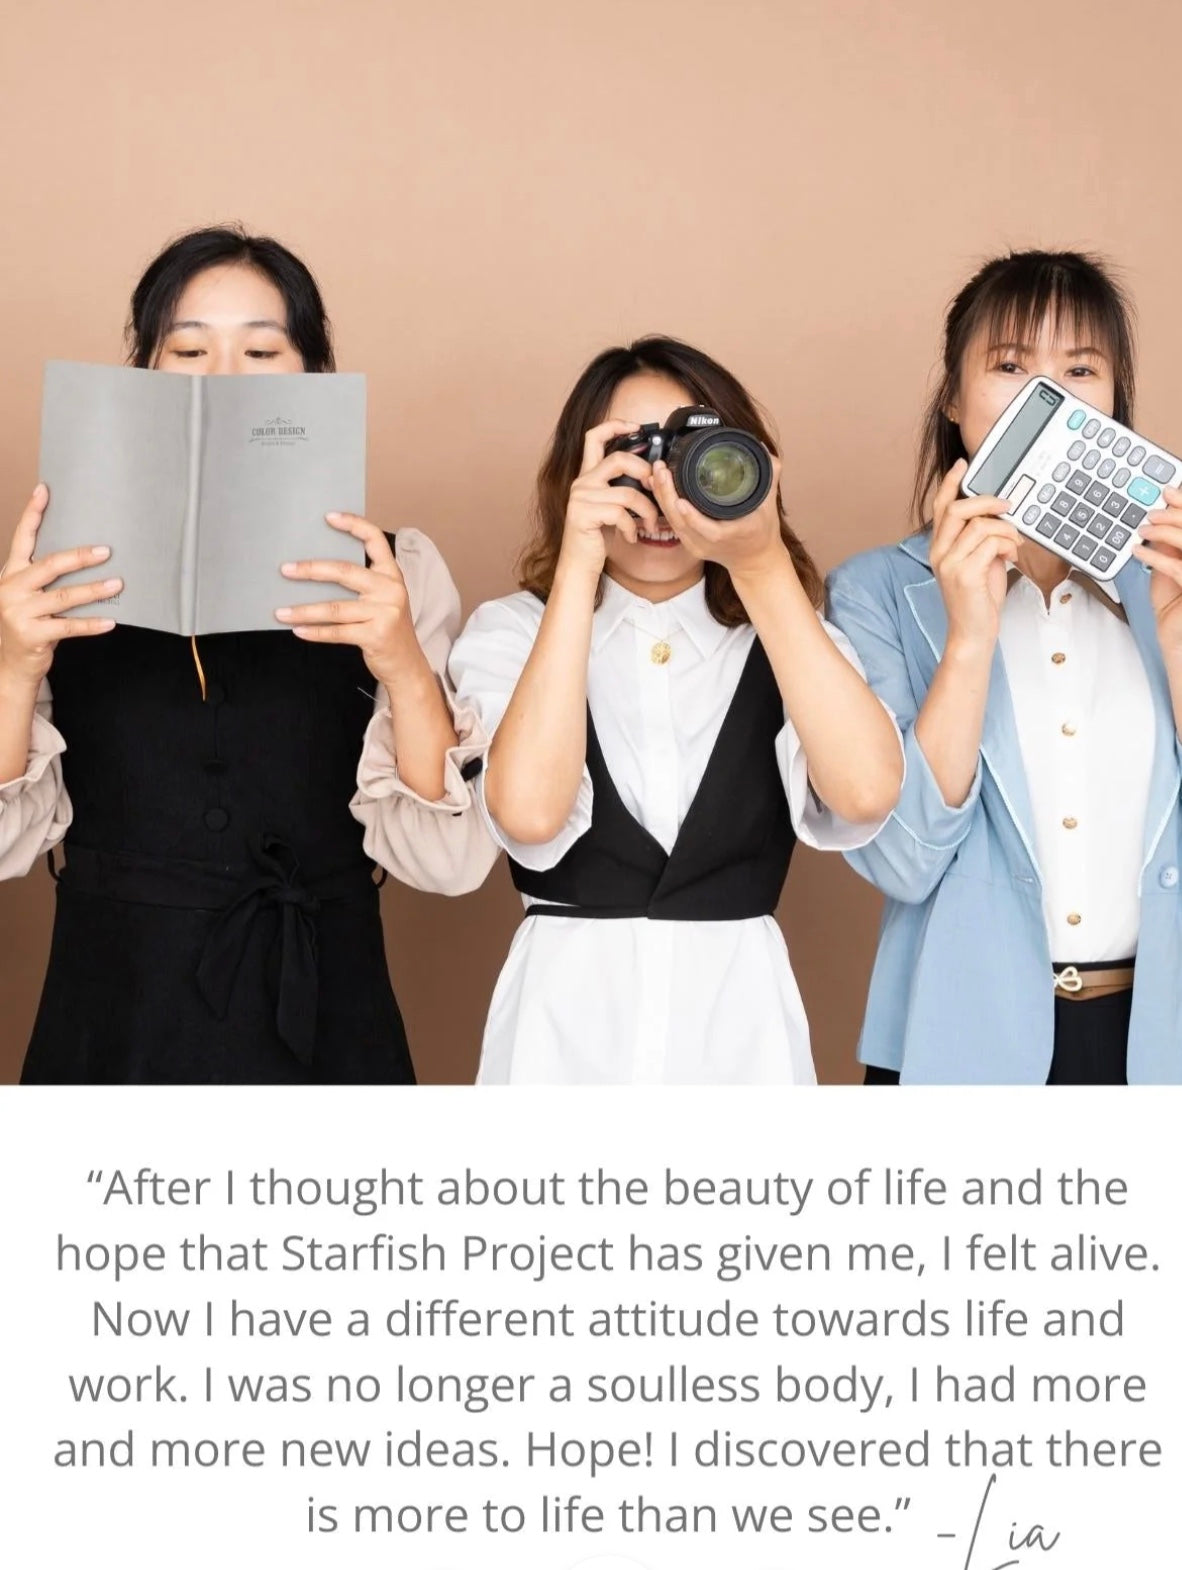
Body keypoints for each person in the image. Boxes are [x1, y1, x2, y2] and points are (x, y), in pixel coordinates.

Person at [0, 225, 496, 1083]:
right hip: (114, 1010)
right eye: (188, 349)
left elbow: (446, 865)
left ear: (313, 375)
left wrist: (405, 663)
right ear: (145, 374)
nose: (224, 377)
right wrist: (14, 666)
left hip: (324, 1010)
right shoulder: (57, 571)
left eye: (262, 350)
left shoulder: (392, 567)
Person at [449, 336, 903, 1083]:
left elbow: (864, 794)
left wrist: (757, 563)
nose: (662, 496)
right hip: (562, 1040)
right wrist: (577, 560)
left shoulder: (787, 637)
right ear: (578, 471)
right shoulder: (514, 631)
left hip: (738, 1037)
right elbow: (528, 814)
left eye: (693, 457)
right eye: (633, 457)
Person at [826, 249, 1182, 1084]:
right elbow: (903, 859)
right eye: (1011, 365)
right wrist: (970, 636)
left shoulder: (1168, 581)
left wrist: (1172, 625)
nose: (1046, 396)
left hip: (1159, 1046)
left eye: (1080, 368)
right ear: (953, 397)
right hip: (956, 1042)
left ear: (1115, 401)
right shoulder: (876, 592)